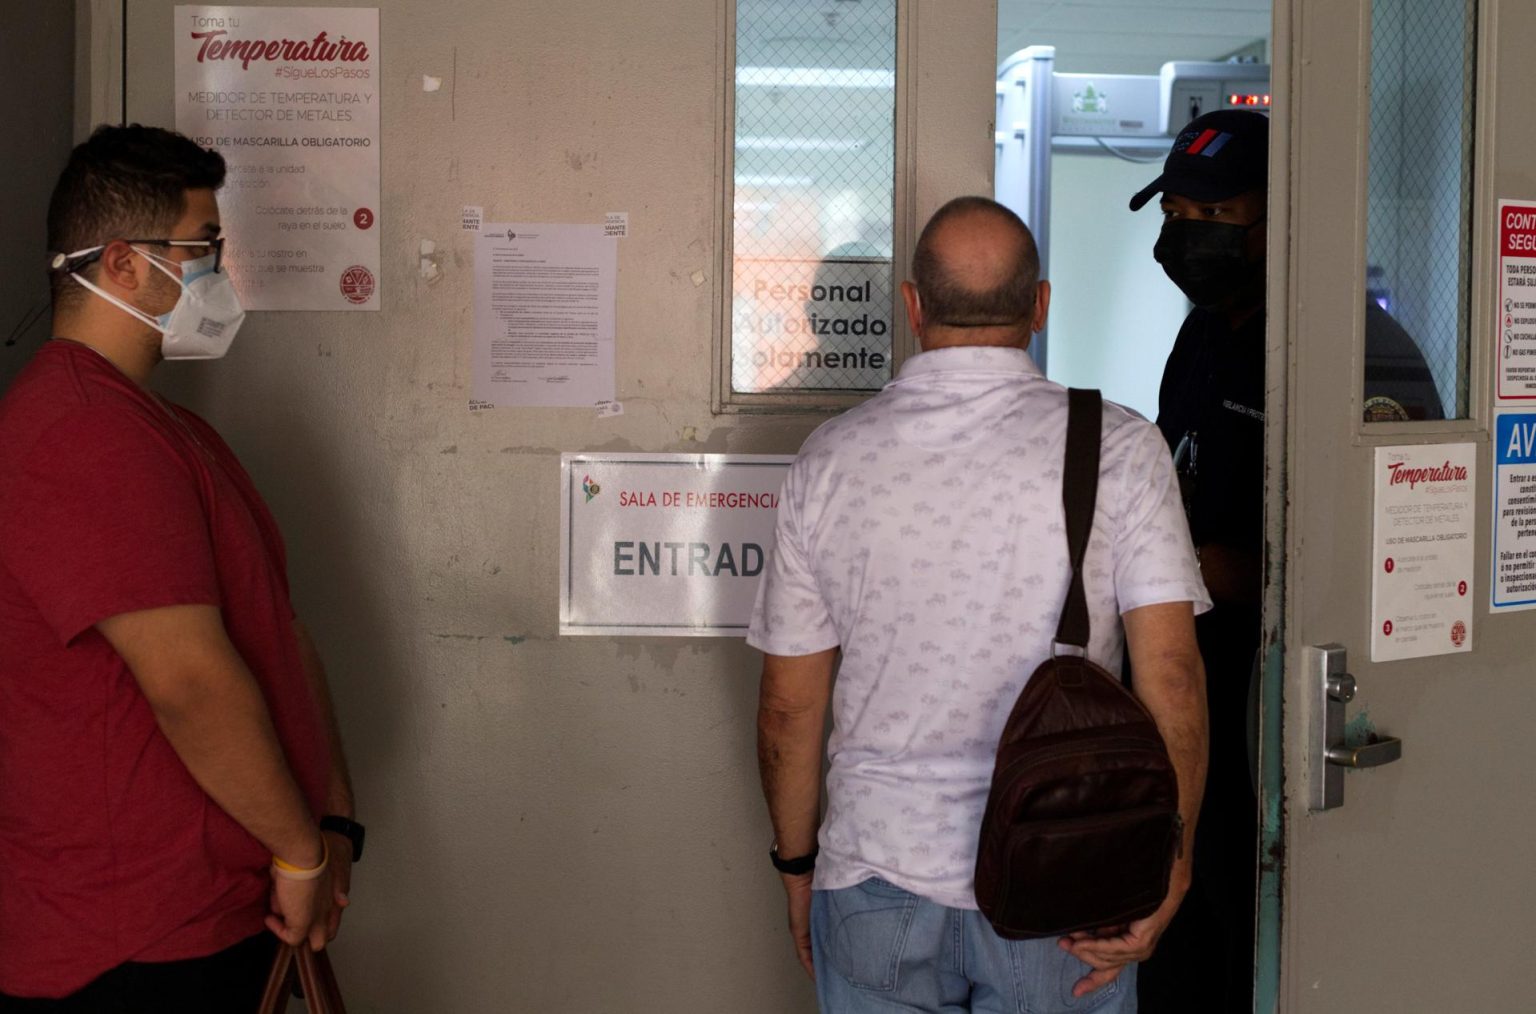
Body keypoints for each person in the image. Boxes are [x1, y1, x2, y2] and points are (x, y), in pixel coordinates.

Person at [749, 196, 1211, 1013]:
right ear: (1038, 307)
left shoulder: (830, 461)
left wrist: (797, 870)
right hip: (1069, 878)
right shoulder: (1122, 450)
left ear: (913, 307)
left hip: (874, 875)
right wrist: (1168, 868)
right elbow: (1171, 675)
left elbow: (790, 710)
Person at [0, 125, 364, 1010]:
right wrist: (298, 852)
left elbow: (277, 630)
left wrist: (331, 820)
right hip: (130, 940)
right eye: (202, 249)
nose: (217, 273)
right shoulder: (80, 433)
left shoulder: (166, 430)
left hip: (216, 910)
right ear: (120, 263)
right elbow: (189, 683)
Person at [1126, 108, 1442, 1012]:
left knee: (1252, 941)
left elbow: (1385, 555)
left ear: (1283, 219)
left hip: (1290, 714)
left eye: (1215, 220)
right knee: (1185, 938)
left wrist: (1224, 568)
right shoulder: (1204, 335)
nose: (1188, 239)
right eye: (1175, 215)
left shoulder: (1354, 360)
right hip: (1198, 696)